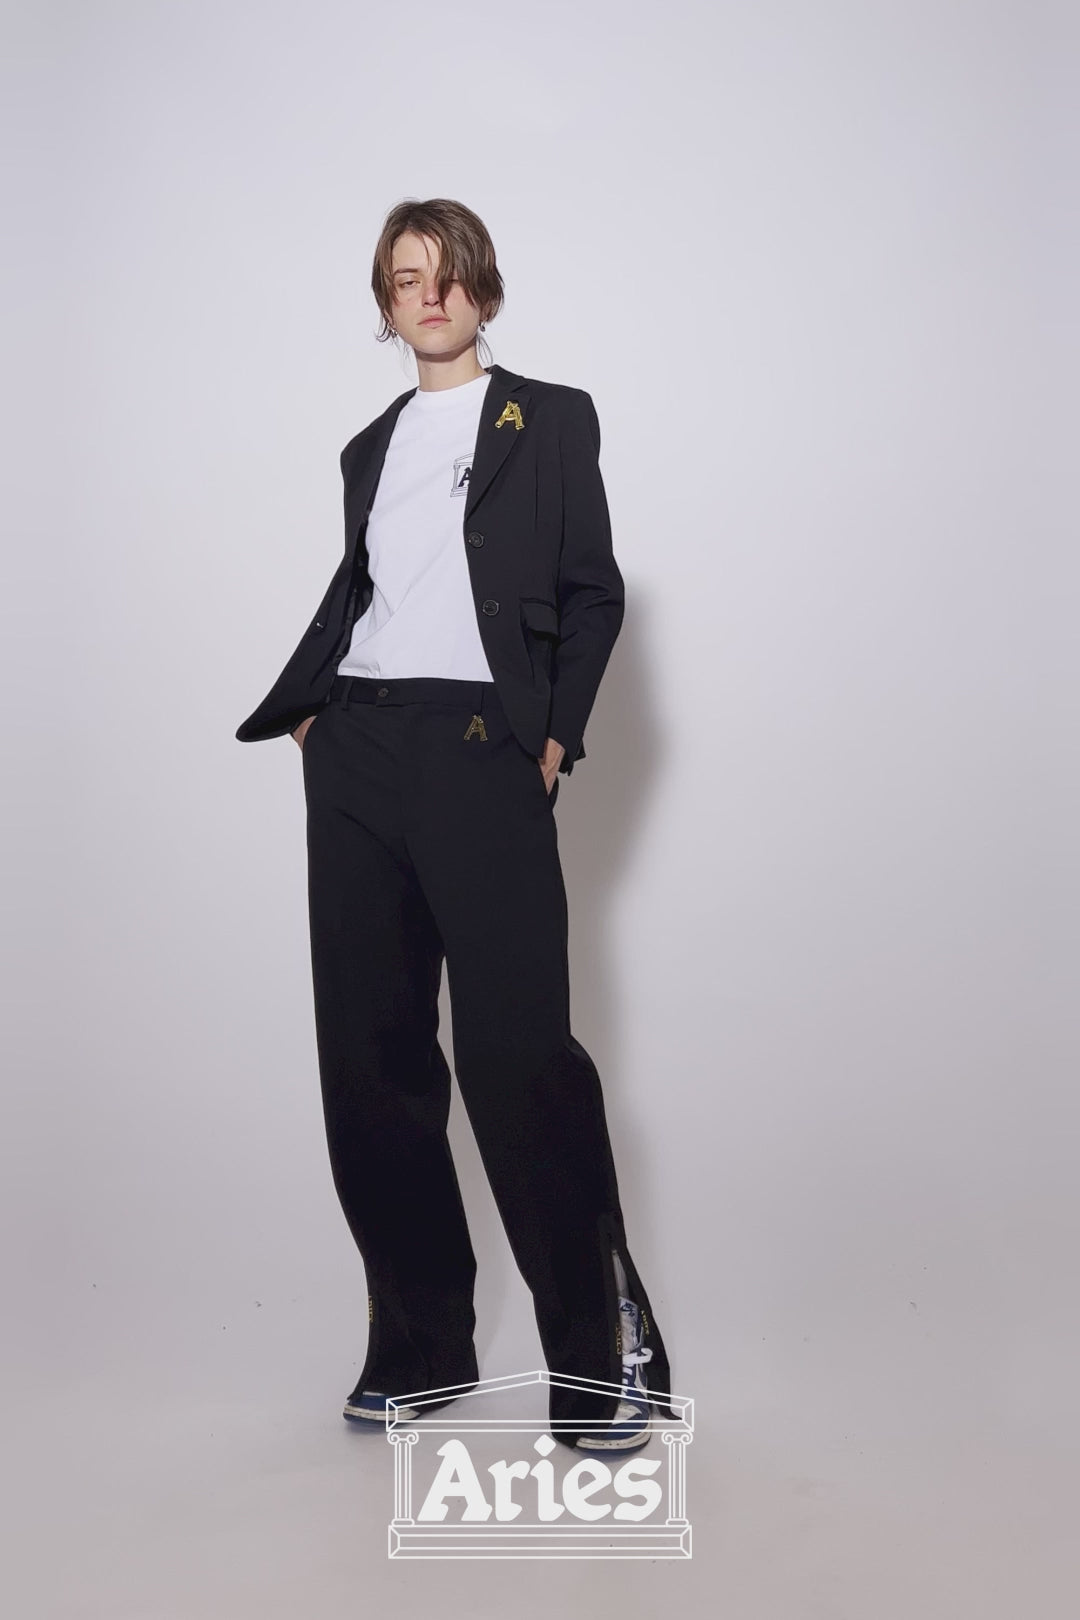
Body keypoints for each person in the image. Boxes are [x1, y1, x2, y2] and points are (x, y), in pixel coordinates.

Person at [235, 197, 674, 1452]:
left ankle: (599, 1356)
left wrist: (554, 735)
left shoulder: (551, 418)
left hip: (485, 751)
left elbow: (592, 594)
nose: (426, 297)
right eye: (402, 280)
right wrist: (318, 718)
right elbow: (377, 591)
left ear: (483, 288)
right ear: (386, 306)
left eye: (446, 275)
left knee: (519, 1059)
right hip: (359, 746)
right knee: (370, 1060)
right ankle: (421, 1347)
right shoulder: (367, 447)